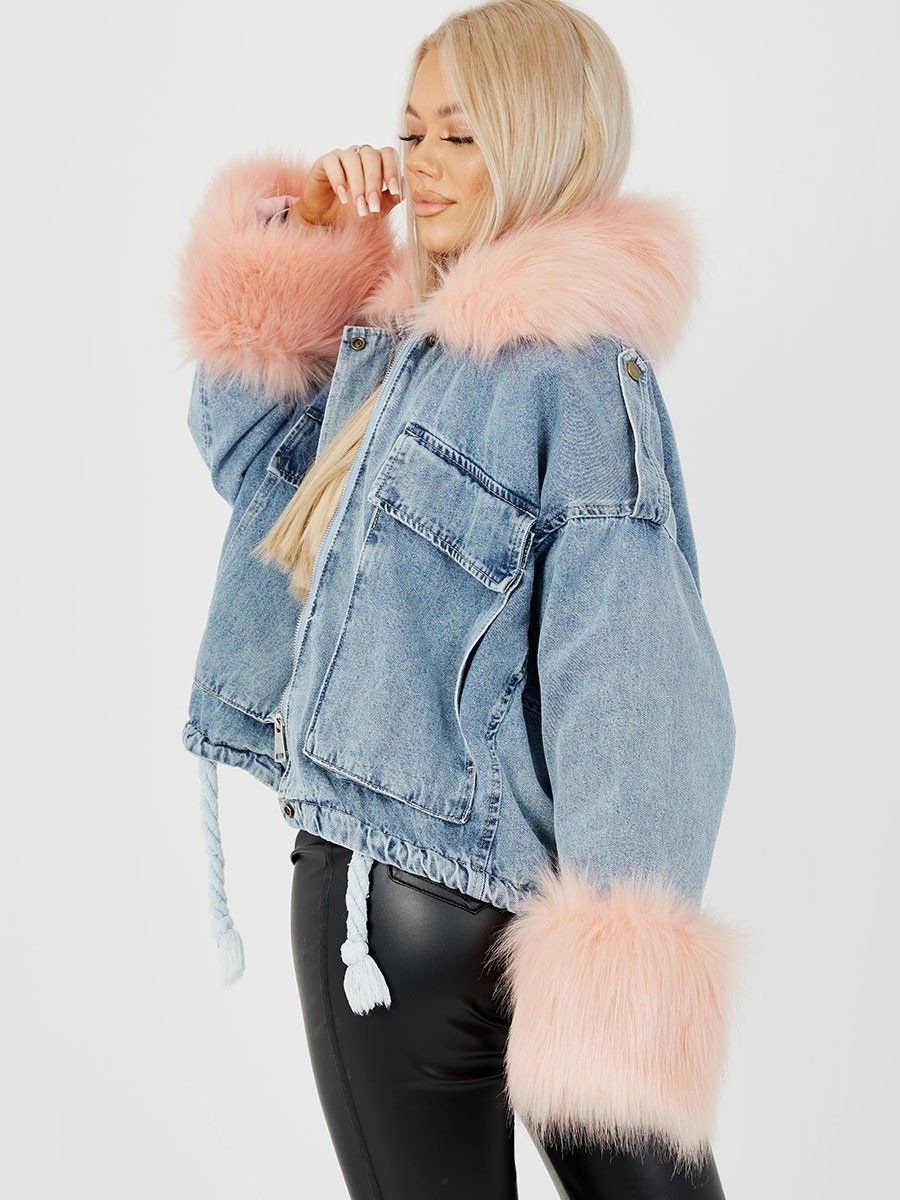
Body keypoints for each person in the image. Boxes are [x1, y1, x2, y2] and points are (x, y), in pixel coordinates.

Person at [174, 2, 742, 1196]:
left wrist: (615, 964)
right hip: (388, 915)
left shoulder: (574, 378)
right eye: (412, 130)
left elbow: (630, 680)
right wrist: (306, 236)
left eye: (462, 136)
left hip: (435, 913)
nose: (422, 163)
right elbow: (258, 475)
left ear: (542, 143)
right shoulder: (399, 355)